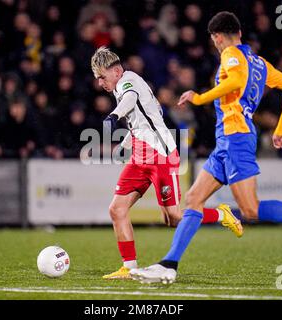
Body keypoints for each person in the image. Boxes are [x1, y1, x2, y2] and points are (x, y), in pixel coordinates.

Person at [130, 12, 282, 284]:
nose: (215, 44)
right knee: (194, 199)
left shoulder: (230, 55)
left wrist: (200, 98)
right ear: (239, 33)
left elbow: (233, 81)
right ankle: (169, 264)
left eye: (214, 40)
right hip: (228, 141)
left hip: (235, 138)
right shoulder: (259, 63)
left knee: (251, 210)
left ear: (217, 37)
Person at [90, 47, 243, 280]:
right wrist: (127, 141)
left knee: (173, 218)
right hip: (141, 157)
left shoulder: (127, 82)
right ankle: (129, 267)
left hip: (160, 155)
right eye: (98, 78)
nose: (100, 82)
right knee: (117, 209)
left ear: (117, 70)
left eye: (102, 76)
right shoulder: (128, 85)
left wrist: (113, 115)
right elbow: (150, 116)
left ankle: (222, 215)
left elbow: (130, 101)